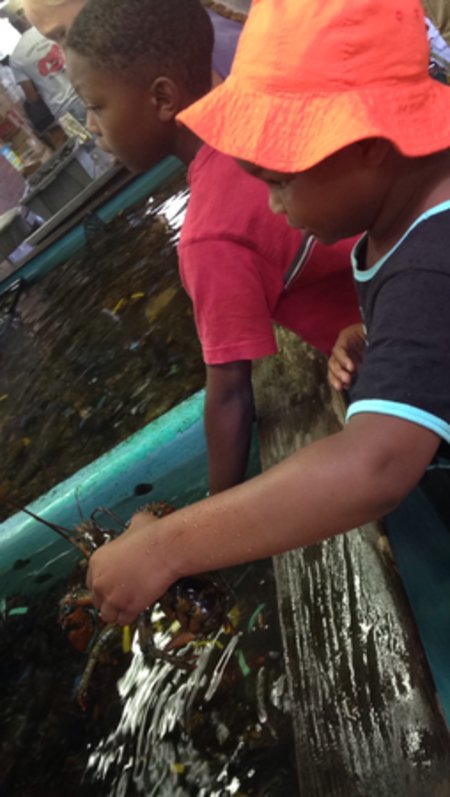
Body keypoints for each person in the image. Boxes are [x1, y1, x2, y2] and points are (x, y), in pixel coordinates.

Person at [73, 0, 450, 627]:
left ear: (366, 145)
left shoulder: (428, 264)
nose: (272, 206)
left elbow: (377, 465)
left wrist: (168, 546)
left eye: (277, 180)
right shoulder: (408, 221)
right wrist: (378, 333)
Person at [64, 0, 360, 496]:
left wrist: (217, 508)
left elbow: (230, 396)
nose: (92, 128)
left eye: (95, 106)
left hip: (398, 356)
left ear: (163, 98)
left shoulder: (210, 237)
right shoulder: (272, 99)